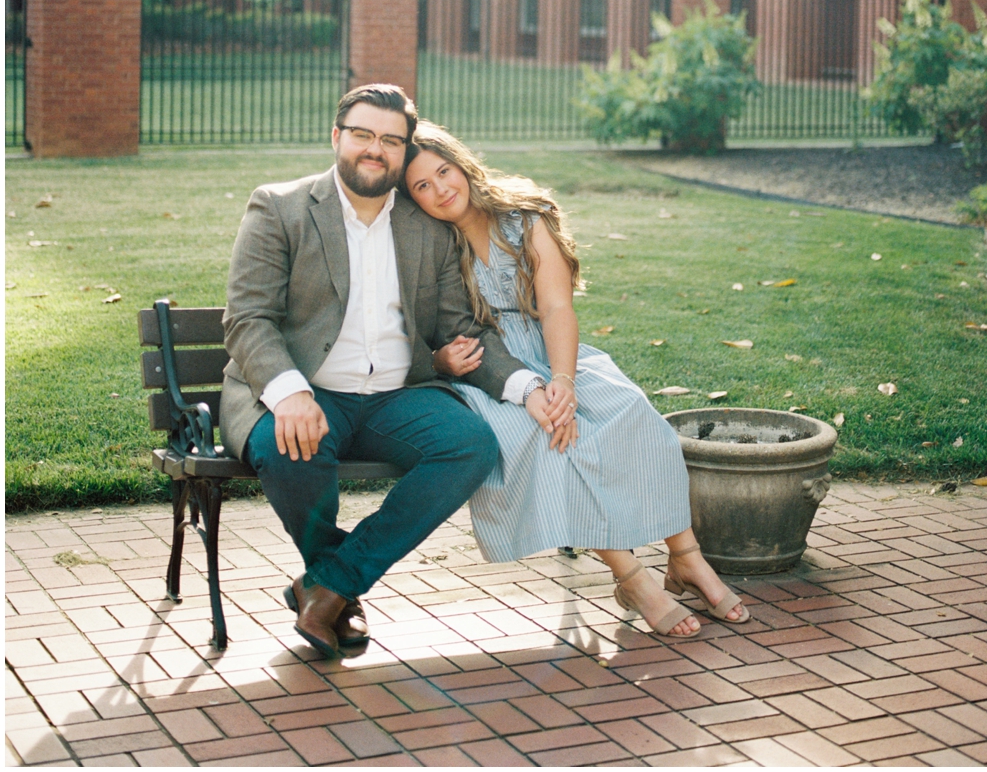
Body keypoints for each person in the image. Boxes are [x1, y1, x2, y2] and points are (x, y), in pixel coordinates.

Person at [220, 84, 558, 659]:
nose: (375, 150)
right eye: (362, 135)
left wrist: (527, 386)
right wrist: (289, 393)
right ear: (337, 138)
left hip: (395, 397)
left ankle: (328, 584)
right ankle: (335, 589)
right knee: (289, 446)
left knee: (469, 445)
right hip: (309, 388)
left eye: (390, 141)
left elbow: (461, 330)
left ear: (403, 153)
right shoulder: (280, 207)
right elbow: (249, 318)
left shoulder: (426, 228)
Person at [403, 124, 749, 638]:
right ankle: (631, 576)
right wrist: (454, 365)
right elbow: (441, 328)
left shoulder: (525, 218)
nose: (440, 190)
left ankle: (685, 558)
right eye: (421, 187)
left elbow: (558, 307)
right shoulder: (432, 244)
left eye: (443, 172)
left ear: (462, 163)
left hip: (552, 348)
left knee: (631, 411)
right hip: (493, 373)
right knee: (553, 438)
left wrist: (563, 378)